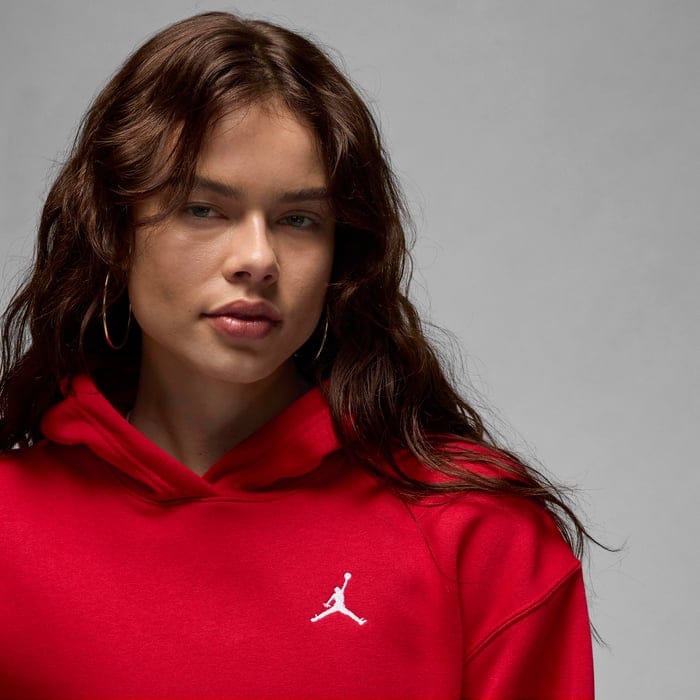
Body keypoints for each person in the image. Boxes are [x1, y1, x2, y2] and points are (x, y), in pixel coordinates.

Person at [0, 11, 595, 699]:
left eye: (298, 220)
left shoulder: (480, 537)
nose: (257, 258)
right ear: (114, 231)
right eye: (203, 208)